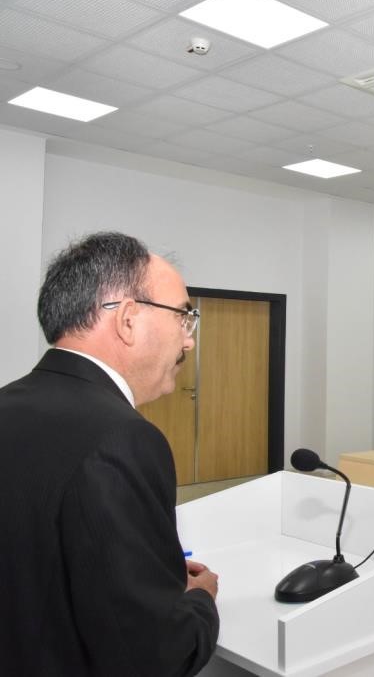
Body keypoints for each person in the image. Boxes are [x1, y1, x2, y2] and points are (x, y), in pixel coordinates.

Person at [0, 232, 219, 675]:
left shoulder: (8, 403)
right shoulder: (123, 438)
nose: (188, 341)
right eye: (184, 317)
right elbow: (153, 654)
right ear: (129, 320)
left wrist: (144, 571)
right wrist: (200, 602)